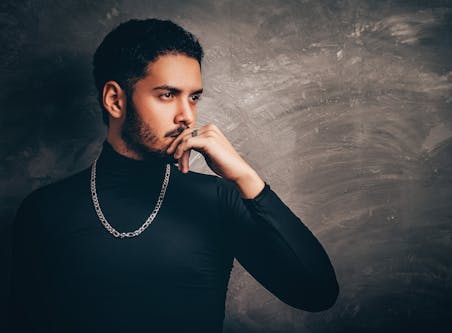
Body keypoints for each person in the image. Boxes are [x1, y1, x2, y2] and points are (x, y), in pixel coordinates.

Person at [7, 18, 339, 333]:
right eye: (167, 95)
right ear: (115, 100)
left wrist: (246, 177)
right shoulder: (45, 211)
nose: (187, 116)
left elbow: (317, 293)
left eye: (193, 98)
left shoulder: (216, 199)